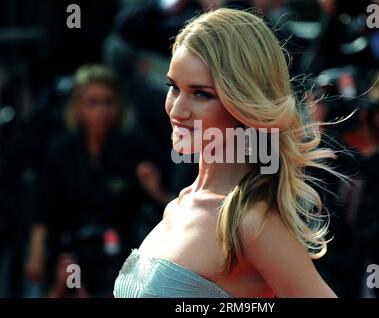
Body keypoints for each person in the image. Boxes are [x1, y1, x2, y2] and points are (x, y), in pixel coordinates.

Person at [114, 8, 338, 298]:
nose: (177, 110)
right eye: (173, 87)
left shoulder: (251, 223)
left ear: (244, 103)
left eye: (201, 94)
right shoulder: (179, 205)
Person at [25, 64, 156, 297]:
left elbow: (156, 207)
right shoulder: (59, 151)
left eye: (108, 102)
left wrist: (156, 190)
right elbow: (42, 204)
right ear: (77, 106)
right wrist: (36, 252)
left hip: (120, 254)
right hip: (66, 250)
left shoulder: (135, 149)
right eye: (92, 103)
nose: (101, 112)